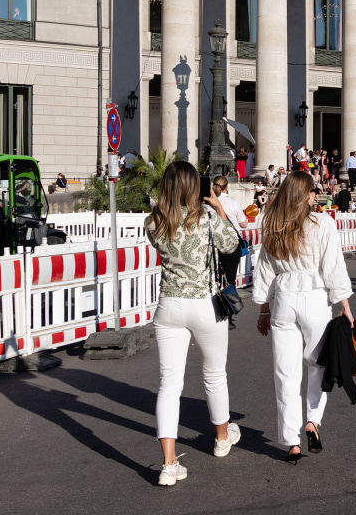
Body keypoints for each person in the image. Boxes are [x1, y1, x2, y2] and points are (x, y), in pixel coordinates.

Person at [146, 161, 243, 485]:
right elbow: (232, 245)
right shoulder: (208, 219)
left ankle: (169, 464)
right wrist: (219, 208)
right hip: (204, 304)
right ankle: (221, 438)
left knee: (169, 384)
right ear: (193, 188)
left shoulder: (153, 222)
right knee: (214, 375)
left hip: (169, 305)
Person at [253, 171, 355, 463]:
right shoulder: (322, 223)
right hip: (314, 297)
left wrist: (263, 309)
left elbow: (265, 270)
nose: (316, 195)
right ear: (305, 195)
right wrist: (345, 306)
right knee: (319, 364)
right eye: (313, 191)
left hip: (284, 298)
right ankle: (313, 420)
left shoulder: (273, 225)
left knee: (285, 373)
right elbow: (333, 267)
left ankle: (291, 440)